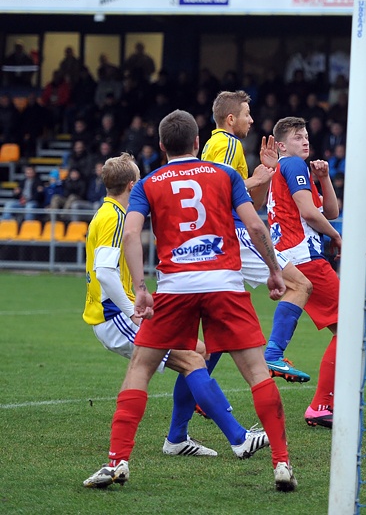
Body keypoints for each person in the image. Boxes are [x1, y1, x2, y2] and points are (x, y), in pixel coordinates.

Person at [83, 111, 297, 491]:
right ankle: (281, 463)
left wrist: (144, 289)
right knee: (256, 373)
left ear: (163, 147)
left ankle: (117, 461)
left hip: (176, 286)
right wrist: (274, 270)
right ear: (198, 143)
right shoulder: (226, 175)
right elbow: (254, 225)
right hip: (224, 284)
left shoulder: (146, 184)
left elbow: (132, 236)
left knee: (140, 369)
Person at [200, 90, 314, 384]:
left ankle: (199, 397)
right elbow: (217, 193)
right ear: (230, 118)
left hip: (221, 236)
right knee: (300, 284)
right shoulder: (227, 143)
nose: (251, 120)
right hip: (235, 233)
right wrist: (257, 179)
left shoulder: (216, 144)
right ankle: (274, 354)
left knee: (222, 326)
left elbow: (255, 203)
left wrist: (266, 173)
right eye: (247, 114)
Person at [266, 117, 342, 428]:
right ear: (282, 145)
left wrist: (324, 179)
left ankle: (204, 399)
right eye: (298, 137)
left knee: (346, 329)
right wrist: (337, 237)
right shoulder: (293, 165)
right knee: (351, 327)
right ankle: (322, 404)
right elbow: (310, 214)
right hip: (305, 256)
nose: (305, 141)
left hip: (291, 255)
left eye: (307, 136)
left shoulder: (287, 170)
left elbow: (330, 211)